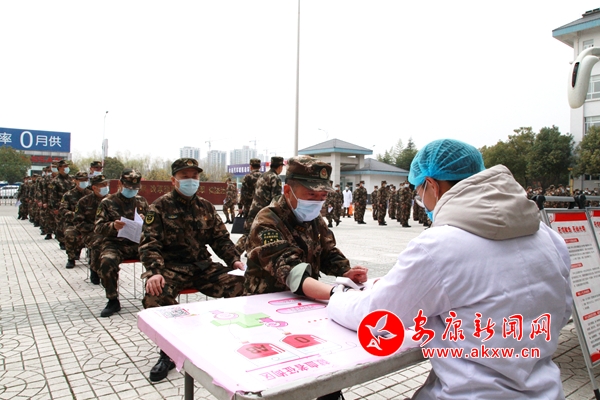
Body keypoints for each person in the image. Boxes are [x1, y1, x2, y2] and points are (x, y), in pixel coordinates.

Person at [327, 139, 572, 399]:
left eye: (419, 192)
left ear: (432, 185)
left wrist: (338, 296)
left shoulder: (439, 246)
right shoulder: (549, 237)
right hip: (545, 391)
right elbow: (563, 309)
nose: (422, 201)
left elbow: (376, 316)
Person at [139, 158, 245, 382]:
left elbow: (220, 239)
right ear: (174, 180)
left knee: (243, 284)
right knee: (155, 296)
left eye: (194, 176)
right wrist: (154, 271)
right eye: (184, 176)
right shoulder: (159, 207)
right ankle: (168, 352)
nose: (190, 180)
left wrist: (234, 260)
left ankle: (237, 339)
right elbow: (150, 244)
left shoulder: (205, 207)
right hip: (171, 268)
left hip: (202, 267)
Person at [95, 169, 149, 317]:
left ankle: (153, 297)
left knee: (158, 258)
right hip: (115, 244)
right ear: (120, 184)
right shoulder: (107, 202)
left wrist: (145, 222)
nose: (131, 190)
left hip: (137, 243)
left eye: (135, 188)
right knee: (107, 261)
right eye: (128, 187)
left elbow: (154, 226)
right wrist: (113, 226)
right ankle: (112, 300)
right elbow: (98, 227)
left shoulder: (141, 202)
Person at [74, 174, 110, 285]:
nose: (105, 187)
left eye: (106, 184)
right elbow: (78, 222)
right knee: (99, 242)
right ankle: (95, 269)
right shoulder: (84, 201)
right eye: (102, 185)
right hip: (90, 232)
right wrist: (95, 228)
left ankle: (110, 271)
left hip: (110, 230)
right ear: (94, 187)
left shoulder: (112, 200)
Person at [242, 156, 284, 250]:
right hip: (265, 213)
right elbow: (276, 199)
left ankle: (235, 252)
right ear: (280, 167)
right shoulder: (275, 178)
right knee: (264, 235)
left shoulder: (263, 176)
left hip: (254, 209)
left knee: (248, 235)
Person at [60, 171, 90, 268]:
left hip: (88, 223)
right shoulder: (68, 195)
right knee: (70, 234)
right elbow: (63, 210)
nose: (84, 182)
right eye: (81, 180)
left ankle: (94, 257)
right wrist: (76, 215)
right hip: (73, 223)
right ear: (75, 181)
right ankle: (71, 258)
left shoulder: (91, 194)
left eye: (85, 180)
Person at [235, 158, 262, 253]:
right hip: (261, 209)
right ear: (260, 166)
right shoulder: (264, 177)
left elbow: (243, 194)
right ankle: (253, 251)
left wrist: (240, 207)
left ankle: (236, 251)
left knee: (248, 232)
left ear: (250, 166)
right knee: (259, 231)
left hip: (249, 209)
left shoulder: (247, 177)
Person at [50, 160, 75, 249]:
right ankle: (62, 241)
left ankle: (70, 242)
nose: (66, 168)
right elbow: (52, 195)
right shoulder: (55, 181)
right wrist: (55, 208)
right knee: (61, 224)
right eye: (64, 166)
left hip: (72, 205)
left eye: (67, 166)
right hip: (60, 206)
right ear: (59, 168)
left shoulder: (72, 179)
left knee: (70, 224)